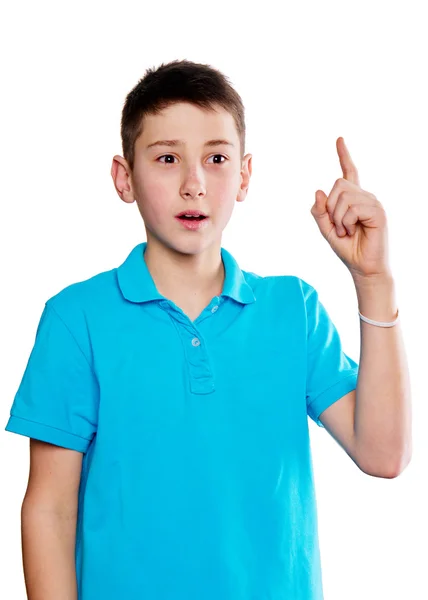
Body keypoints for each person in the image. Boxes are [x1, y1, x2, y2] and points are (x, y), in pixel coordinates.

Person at [4, 59, 408, 600]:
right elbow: (50, 508)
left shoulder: (294, 309)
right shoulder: (77, 318)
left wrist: (373, 279)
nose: (194, 183)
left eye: (216, 159)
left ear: (243, 176)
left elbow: (384, 454)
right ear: (125, 178)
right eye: (167, 158)